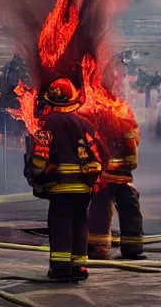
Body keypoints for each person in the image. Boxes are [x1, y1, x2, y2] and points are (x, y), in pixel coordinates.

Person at [24, 78, 107, 283]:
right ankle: (78, 267)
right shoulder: (84, 123)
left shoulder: (47, 124)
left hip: (60, 186)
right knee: (79, 223)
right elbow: (101, 153)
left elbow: (39, 159)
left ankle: (60, 268)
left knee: (60, 224)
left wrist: (36, 178)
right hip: (84, 187)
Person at [87, 108, 144, 260]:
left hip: (103, 179)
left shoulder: (92, 125)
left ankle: (97, 249)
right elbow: (132, 157)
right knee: (130, 210)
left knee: (100, 211)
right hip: (120, 179)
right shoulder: (125, 126)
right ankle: (132, 248)